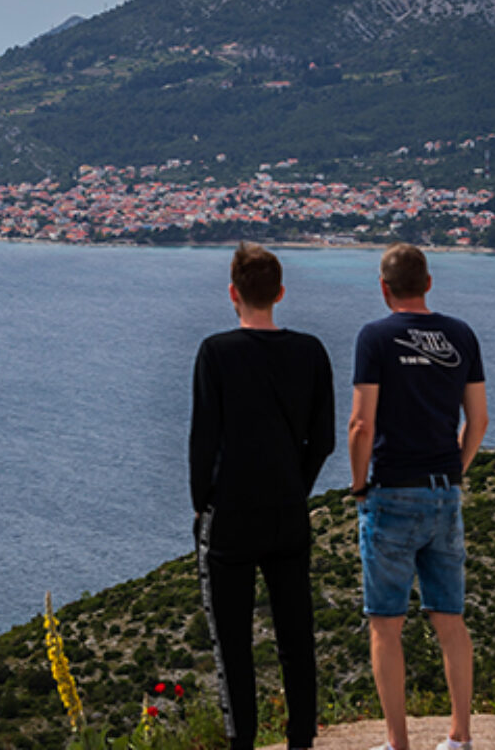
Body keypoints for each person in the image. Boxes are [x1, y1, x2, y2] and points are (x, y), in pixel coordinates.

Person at [191, 242, 337, 750]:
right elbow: (323, 440)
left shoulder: (216, 352)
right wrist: (296, 486)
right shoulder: (311, 352)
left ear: (233, 293)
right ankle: (301, 741)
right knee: (296, 634)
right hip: (287, 512)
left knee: (232, 643)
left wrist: (201, 502)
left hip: (231, 513)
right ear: (280, 293)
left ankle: (244, 744)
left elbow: (203, 438)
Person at [348, 243, 488, 750]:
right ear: (428, 283)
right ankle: (460, 736)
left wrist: (359, 485)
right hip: (443, 492)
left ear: (383, 288)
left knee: (386, 625)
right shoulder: (461, 334)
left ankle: (398, 742)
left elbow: (361, 424)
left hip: (392, 491)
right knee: (450, 619)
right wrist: (455, 471)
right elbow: (479, 420)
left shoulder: (375, 337)